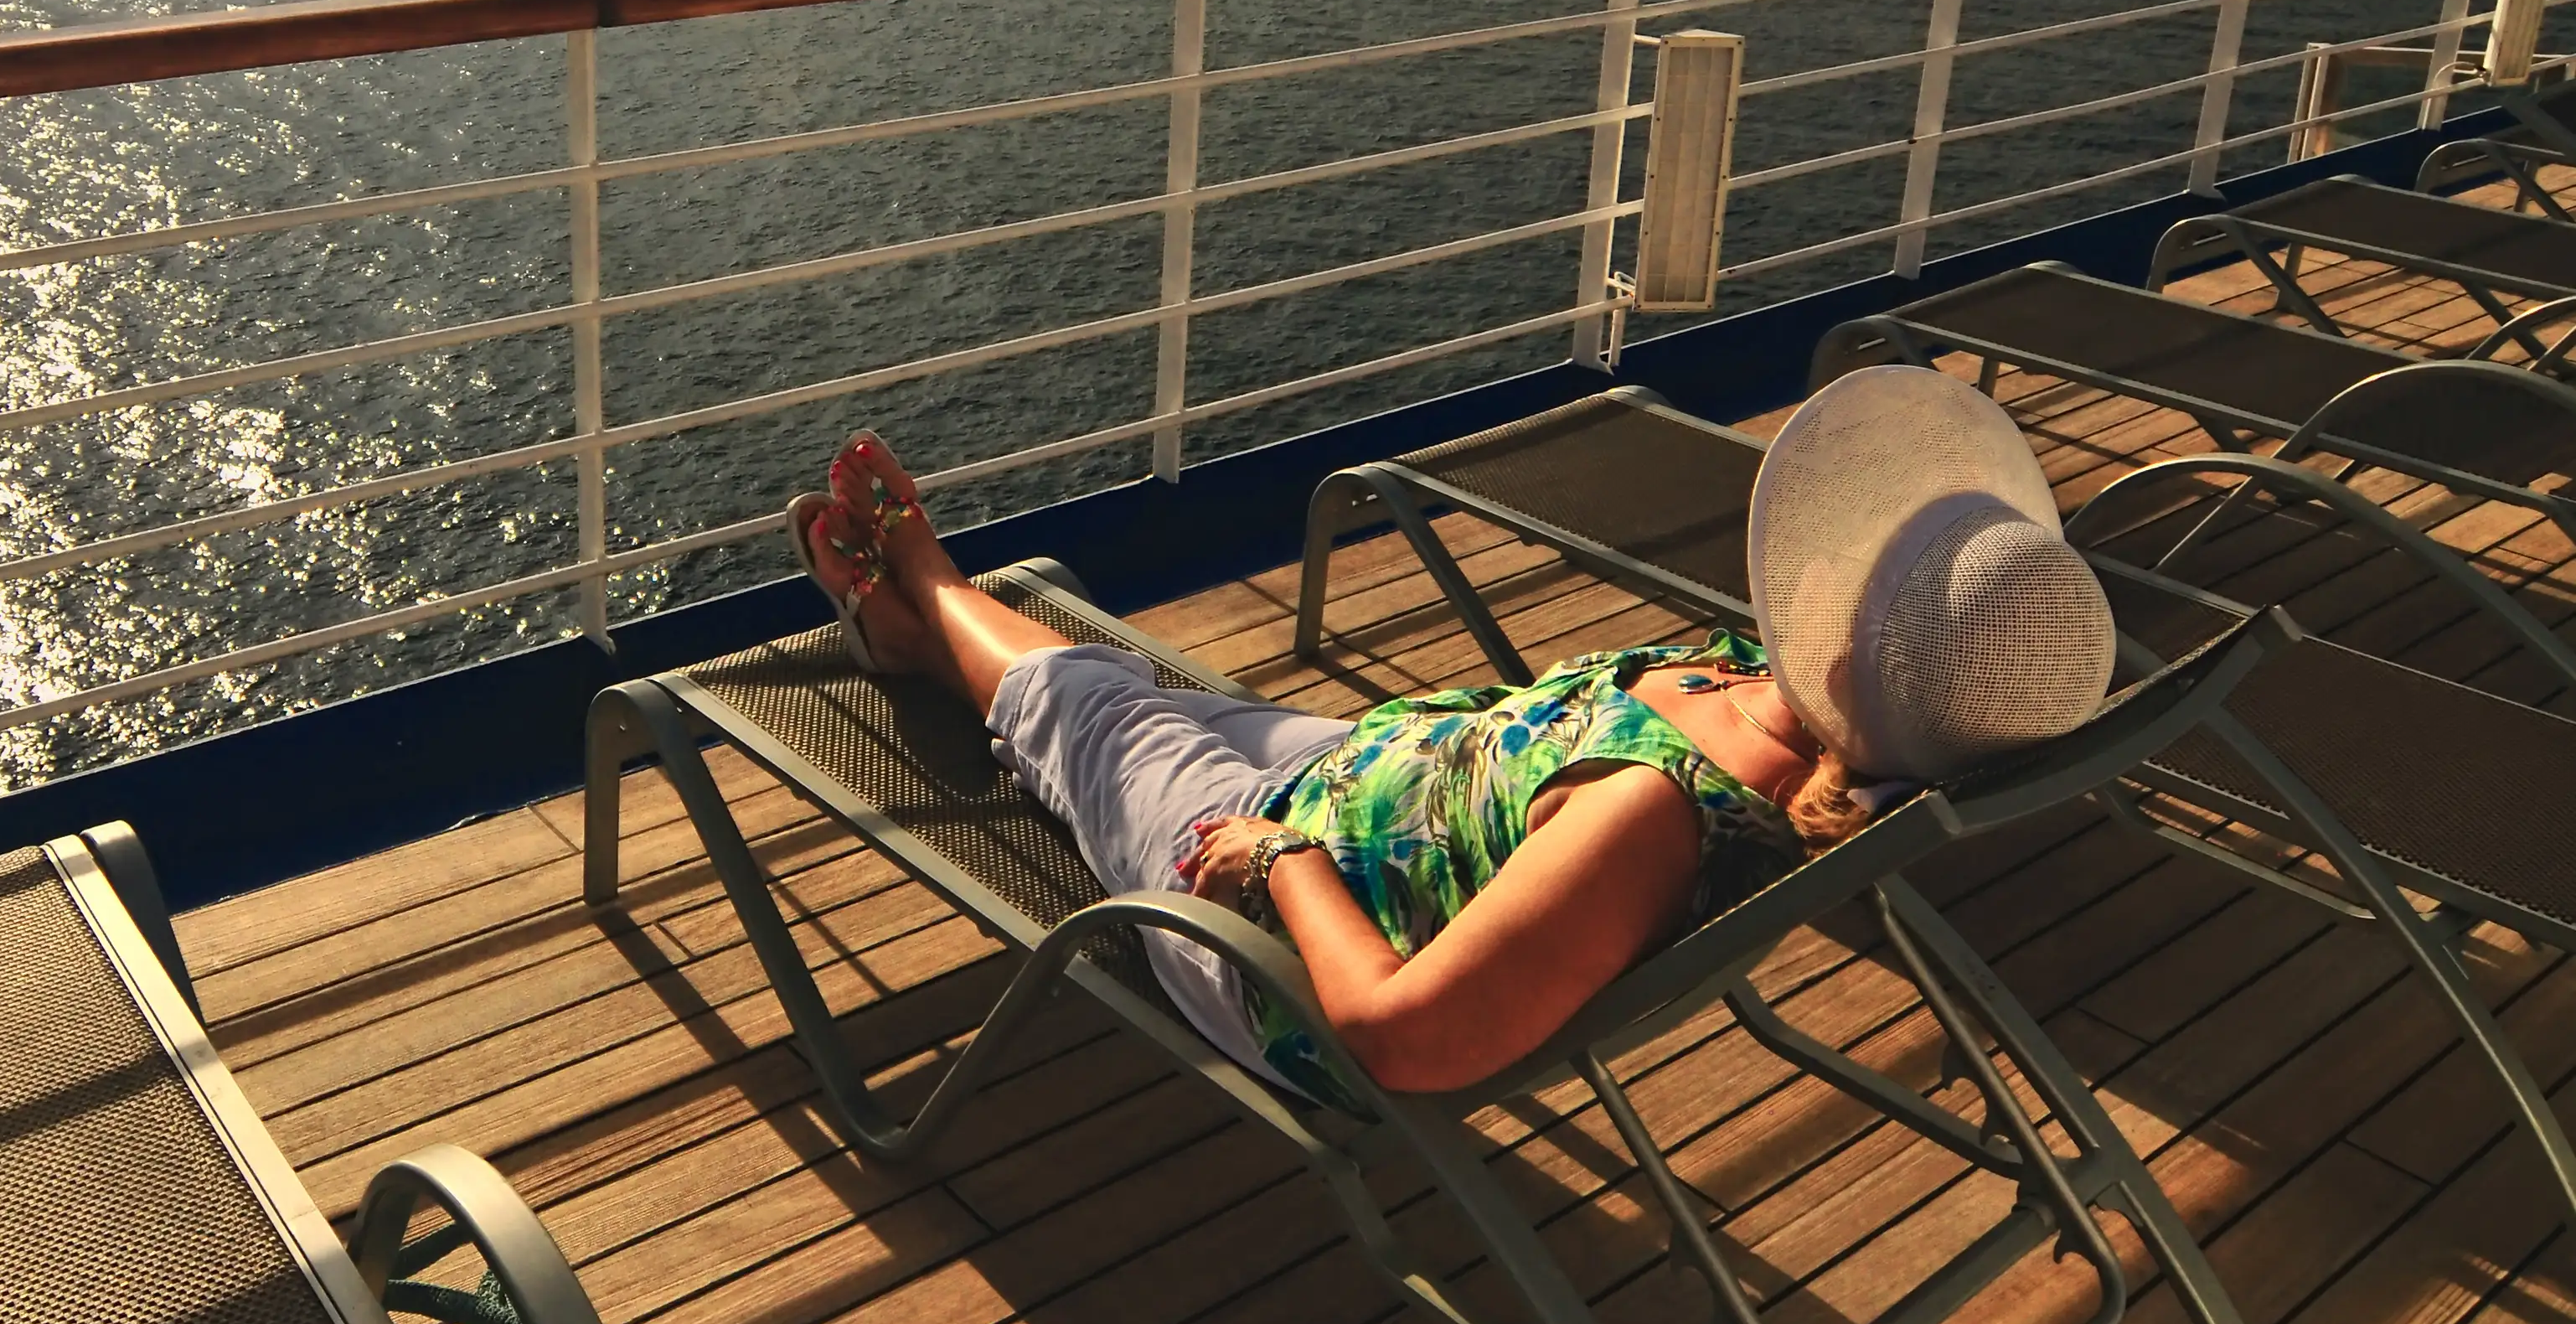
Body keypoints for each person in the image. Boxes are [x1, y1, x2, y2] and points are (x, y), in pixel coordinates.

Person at [790, 365, 2119, 1107]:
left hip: (1282, 931)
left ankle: (936, 586)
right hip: (1348, 775)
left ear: (1847, 642)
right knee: (1105, 690)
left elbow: (1402, 1037)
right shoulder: (1751, 687)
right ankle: (925, 638)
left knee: (1085, 704)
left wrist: (1275, 866)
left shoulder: (1647, 815)